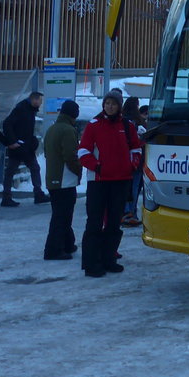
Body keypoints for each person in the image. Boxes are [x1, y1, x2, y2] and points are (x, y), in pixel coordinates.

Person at [77, 92, 142, 277]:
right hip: (99, 182)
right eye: (107, 103)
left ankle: (109, 259)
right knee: (94, 224)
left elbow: (136, 148)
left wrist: (133, 164)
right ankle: (91, 264)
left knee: (114, 224)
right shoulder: (94, 125)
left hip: (121, 181)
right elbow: (83, 151)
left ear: (119, 106)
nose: (110, 107)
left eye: (113, 104)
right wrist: (96, 166)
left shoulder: (128, 126)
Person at [42, 99, 82, 260]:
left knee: (61, 213)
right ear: (74, 114)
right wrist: (79, 170)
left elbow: (47, 152)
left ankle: (67, 244)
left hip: (53, 178)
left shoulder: (52, 129)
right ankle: (53, 250)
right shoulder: (68, 130)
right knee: (62, 216)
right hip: (64, 179)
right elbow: (70, 156)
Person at [0, 91, 49, 206]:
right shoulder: (21, 109)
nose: (41, 103)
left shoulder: (29, 110)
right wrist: (12, 141)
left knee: (34, 168)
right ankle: (7, 197)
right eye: (40, 101)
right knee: (11, 171)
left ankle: (38, 194)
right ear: (34, 100)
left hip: (25, 147)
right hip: (19, 147)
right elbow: (7, 123)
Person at [121, 98, 146, 228]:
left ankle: (124, 212)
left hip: (123, 159)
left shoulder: (120, 120)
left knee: (124, 187)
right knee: (135, 187)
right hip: (137, 160)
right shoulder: (139, 123)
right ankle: (132, 213)